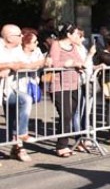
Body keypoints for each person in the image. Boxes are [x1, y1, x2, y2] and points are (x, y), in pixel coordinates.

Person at [0, 24, 42, 161]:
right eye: (19, 35)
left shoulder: (16, 49)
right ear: (9, 37)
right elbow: (13, 65)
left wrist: (12, 66)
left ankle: (19, 141)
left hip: (9, 90)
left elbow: (22, 64)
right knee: (13, 116)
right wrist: (9, 66)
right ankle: (17, 145)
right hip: (6, 89)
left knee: (24, 101)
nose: (21, 37)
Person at [47, 23, 86, 157]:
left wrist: (80, 65)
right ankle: (61, 146)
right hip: (59, 85)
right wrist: (68, 64)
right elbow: (54, 63)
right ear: (68, 34)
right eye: (76, 34)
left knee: (70, 114)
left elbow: (80, 61)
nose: (78, 36)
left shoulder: (74, 46)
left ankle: (63, 142)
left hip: (74, 85)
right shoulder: (56, 45)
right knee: (66, 114)